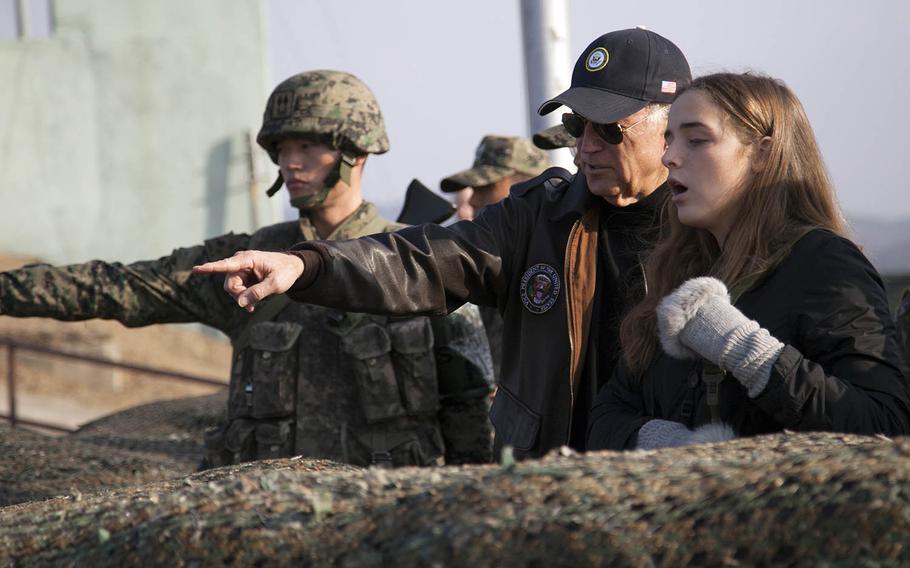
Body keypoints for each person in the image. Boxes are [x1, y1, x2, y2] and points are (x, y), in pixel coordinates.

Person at [195, 28, 692, 460]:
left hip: (678, 480)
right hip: (554, 485)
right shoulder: (537, 219)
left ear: (671, 129)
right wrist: (307, 267)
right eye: (578, 126)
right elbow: (421, 260)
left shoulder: (719, 229)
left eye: (608, 128)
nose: (585, 147)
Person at [0, 70, 494, 468]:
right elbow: (114, 287)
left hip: (383, 522)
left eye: (307, 147)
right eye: (281, 149)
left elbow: (469, 411)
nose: (290, 163)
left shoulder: (417, 263)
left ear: (355, 151)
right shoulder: (245, 263)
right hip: (259, 517)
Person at [586, 73, 910, 451]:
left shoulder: (824, 264)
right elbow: (606, 416)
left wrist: (747, 350)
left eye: (697, 139)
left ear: (762, 154)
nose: (669, 157)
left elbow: (886, 423)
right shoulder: (678, 270)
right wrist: (667, 444)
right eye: (670, 138)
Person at [440, 135, 550, 382]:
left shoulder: (567, 263)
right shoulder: (490, 271)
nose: (473, 199)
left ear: (528, 188)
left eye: (486, 186)